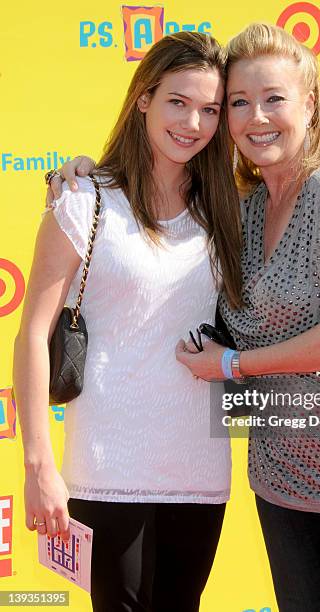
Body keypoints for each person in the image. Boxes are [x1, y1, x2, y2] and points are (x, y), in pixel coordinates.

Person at [47, 23, 320, 612]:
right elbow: (142, 196)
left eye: (274, 98)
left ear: (309, 103)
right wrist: (79, 173)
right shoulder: (240, 209)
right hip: (283, 470)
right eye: (237, 103)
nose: (256, 116)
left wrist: (233, 363)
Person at [14, 31, 242, 612]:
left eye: (211, 109)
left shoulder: (226, 209)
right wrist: (39, 464)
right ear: (143, 97)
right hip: (108, 465)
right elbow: (33, 336)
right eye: (177, 101)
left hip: (200, 468)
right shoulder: (83, 201)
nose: (193, 122)